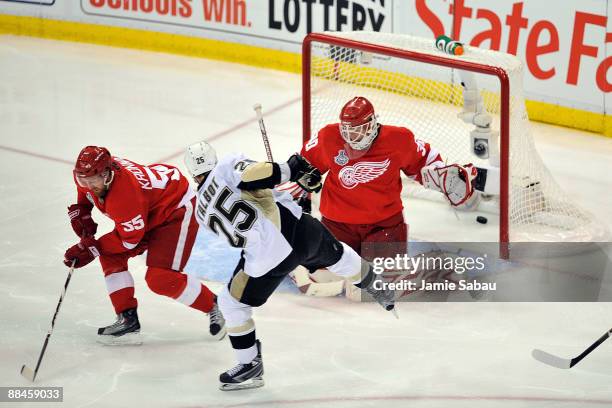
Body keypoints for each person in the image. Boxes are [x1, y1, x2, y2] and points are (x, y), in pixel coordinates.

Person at [183, 141, 396, 391]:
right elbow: (256, 175)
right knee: (336, 254)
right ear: (213, 158)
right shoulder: (226, 165)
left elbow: (249, 214)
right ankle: (375, 283)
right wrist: (290, 170)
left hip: (267, 260)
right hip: (300, 230)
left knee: (232, 304)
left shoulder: (200, 209)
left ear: (192, 172)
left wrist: (283, 192)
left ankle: (249, 364)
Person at [63, 146, 226, 343]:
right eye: (83, 180)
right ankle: (128, 320)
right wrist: (82, 211)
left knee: (160, 278)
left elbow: (129, 241)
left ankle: (216, 305)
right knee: (110, 255)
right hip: (147, 208)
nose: (88, 185)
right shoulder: (91, 175)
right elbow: (85, 195)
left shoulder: (125, 196)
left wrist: (90, 248)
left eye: (93, 181)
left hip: (175, 210)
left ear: (107, 175)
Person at [294, 96, 478, 259]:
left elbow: (424, 159)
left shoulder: (398, 139)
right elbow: (301, 164)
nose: (352, 137)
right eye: (347, 131)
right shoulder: (329, 137)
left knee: (377, 286)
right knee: (323, 281)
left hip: (383, 225)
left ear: (372, 123)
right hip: (338, 224)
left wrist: (440, 174)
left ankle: (438, 267)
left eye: (358, 130)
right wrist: (295, 189)